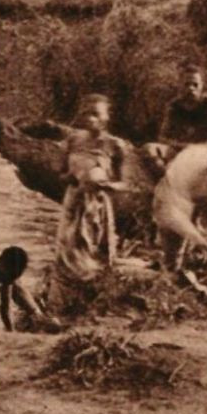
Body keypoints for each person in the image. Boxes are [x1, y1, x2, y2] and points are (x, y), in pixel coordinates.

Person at [54, 94, 132, 283]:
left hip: (97, 204)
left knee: (94, 250)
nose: (91, 119)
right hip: (73, 200)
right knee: (67, 248)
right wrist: (72, 178)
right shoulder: (73, 140)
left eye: (96, 114)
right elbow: (60, 173)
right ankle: (65, 290)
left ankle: (94, 288)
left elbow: (126, 183)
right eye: (87, 113)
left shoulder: (115, 145)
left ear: (107, 117)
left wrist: (106, 184)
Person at [158, 63, 207, 150]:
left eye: (195, 84)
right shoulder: (174, 106)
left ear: (202, 85)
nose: (191, 88)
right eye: (187, 84)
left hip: (203, 152)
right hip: (177, 149)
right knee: (150, 149)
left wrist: (197, 149)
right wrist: (182, 146)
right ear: (180, 85)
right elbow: (162, 138)